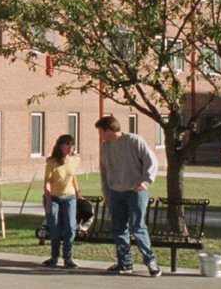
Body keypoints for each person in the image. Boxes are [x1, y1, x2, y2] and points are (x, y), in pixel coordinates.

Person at [95, 115, 161, 276]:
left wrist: (146, 181)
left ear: (109, 130)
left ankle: (151, 262)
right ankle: (125, 263)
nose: (100, 135)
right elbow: (104, 171)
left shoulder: (134, 141)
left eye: (101, 132)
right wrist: (106, 193)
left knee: (137, 226)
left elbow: (151, 161)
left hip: (135, 191)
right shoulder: (105, 147)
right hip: (115, 192)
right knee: (118, 228)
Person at [41, 134, 81, 269]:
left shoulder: (75, 160)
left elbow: (73, 175)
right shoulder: (52, 162)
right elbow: (47, 183)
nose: (70, 148)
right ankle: (54, 257)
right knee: (55, 227)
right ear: (60, 146)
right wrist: (48, 202)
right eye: (67, 145)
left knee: (70, 227)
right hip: (53, 198)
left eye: (72, 145)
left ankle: (68, 258)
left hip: (69, 197)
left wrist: (78, 192)